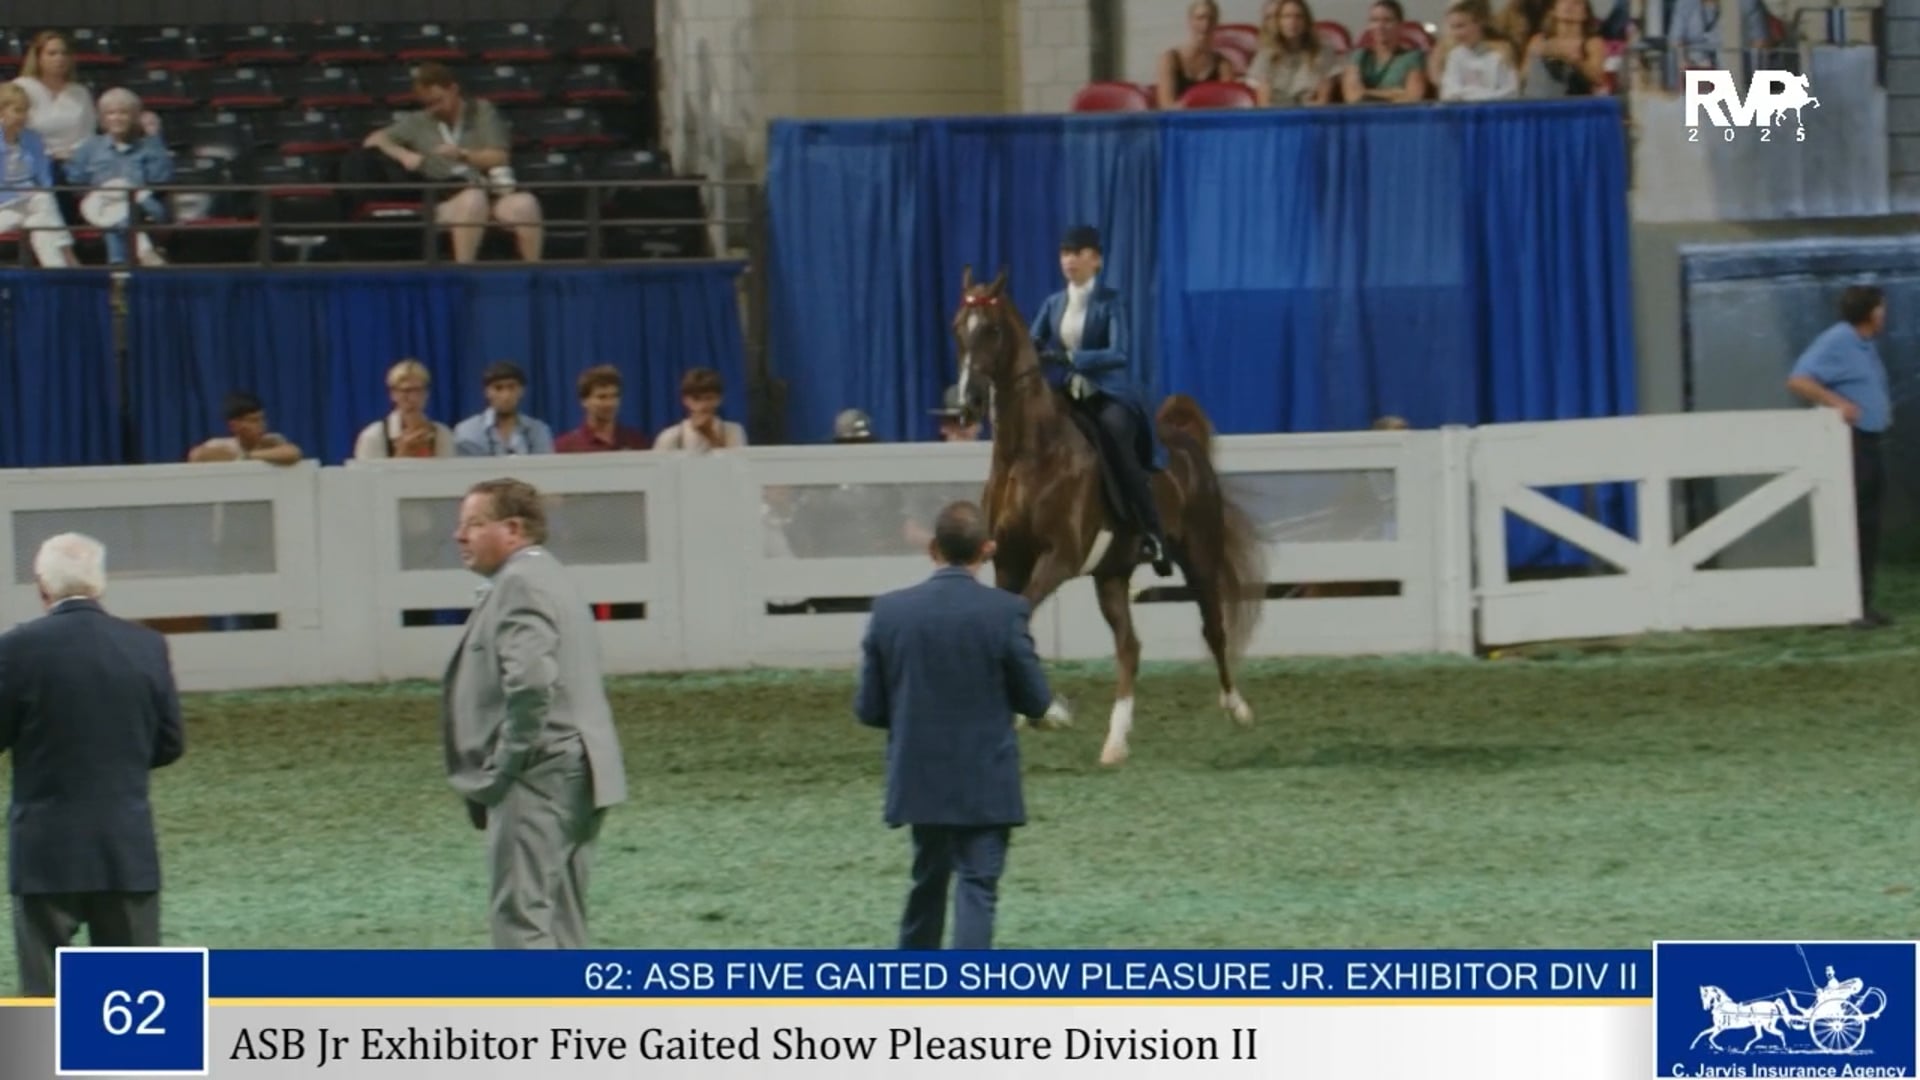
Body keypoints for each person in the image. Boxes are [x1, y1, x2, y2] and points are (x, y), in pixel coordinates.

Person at [854, 501, 1057, 950]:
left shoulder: (890, 612)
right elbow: (1036, 700)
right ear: (987, 549)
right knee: (977, 884)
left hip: (920, 773)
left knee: (927, 877)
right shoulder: (1006, 612)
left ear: (933, 548)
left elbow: (869, 709)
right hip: (985, 775)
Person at [445, 478, 627, 947]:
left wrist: (508, 762)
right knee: (563, 920)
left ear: (512, 528)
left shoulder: (520, 582)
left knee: (521, 923)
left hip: (540, 771)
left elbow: (529, 682)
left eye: (473, 524)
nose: (459, 535)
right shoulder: (546, 574)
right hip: (580, 767)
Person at [0, 533, 184, 997]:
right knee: (135, 1006)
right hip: (124, 845)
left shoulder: (14, 649)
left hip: (44, 847)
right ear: (100, 586)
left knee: (42, 998)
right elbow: (169, 744)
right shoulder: (147, 646)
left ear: (42, 587)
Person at [1030, 224, 1172, 576]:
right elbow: (1033, 342)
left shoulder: (1111, 301)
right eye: (1065, 253)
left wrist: (1074, 360)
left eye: (1077, 253)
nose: (1069, 260)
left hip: (1109, 392)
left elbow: (1118, 352)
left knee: (1116, 441)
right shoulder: (1053, 304)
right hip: (1069, 393)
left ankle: (1152, 533)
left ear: (1096, 260)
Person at [1786, 284, 1892, 629]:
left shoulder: (1863, 344)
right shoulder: (1839, 340)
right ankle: (1846, 603)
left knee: (1867, 522)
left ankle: (1861, 601)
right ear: (1873, 312)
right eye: (1882, 308)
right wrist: (1838, 403)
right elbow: (1799, 380)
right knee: (1854, 522)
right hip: (1852, 443)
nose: (1884, 314)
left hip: (1869, 442)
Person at [453, 361, 556, 457]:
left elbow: (544, 472)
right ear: (486, 392)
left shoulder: (538, 431)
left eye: (511, 387)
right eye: (498, 388)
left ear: (522, 391)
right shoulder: (468, 431)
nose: (505, 396)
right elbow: (466, 473)